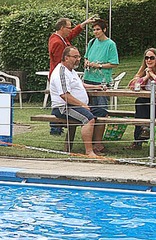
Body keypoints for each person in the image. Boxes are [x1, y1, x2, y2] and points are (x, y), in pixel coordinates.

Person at [49, 46, 107, 158]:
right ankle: (89, 152)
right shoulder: (61, 72)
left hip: (77, 105)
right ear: (66, 58)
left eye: (79, 56)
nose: (78, 59)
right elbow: (64, 95)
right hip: (64, 107)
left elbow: (81, 85)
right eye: (75, 57)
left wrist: (96, 87)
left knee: (102, 112)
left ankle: (97, 145)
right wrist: (82, 104)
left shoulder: (71, 71)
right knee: (88, 118)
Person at [48, 16, 96, 135]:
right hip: (60, 77)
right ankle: (55, 127)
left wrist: (83, 24)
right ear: (62, 28)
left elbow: (71, 34)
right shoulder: (57, 42)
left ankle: (56, 128)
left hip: (65, 77)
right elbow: (61, 61)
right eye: (69, 28)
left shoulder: (61, 38)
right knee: (61, 98)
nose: (71, 30)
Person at [127, 48, 156, 149]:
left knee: (141, 108)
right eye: (146, 58)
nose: (149, 60)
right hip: (147, 105)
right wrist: (145, 77)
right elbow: (132, 85)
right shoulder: (144, 69)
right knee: (141, 103)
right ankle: (143, 131)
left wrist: (153, 75)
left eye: (152, 58)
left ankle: (139, 139)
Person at [82, 19, 118, 152]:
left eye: (98, 29)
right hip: (88, 79)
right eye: (94, 29)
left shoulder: (110, 44)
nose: (95, 32)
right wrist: (87, 62)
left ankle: (98, 142)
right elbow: (86, 57)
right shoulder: (91, 42)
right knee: (88, 110)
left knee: (101, 111)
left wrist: (99, 65)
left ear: (104, 30)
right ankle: (89, 141)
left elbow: (114, 63)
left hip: (101, 81)